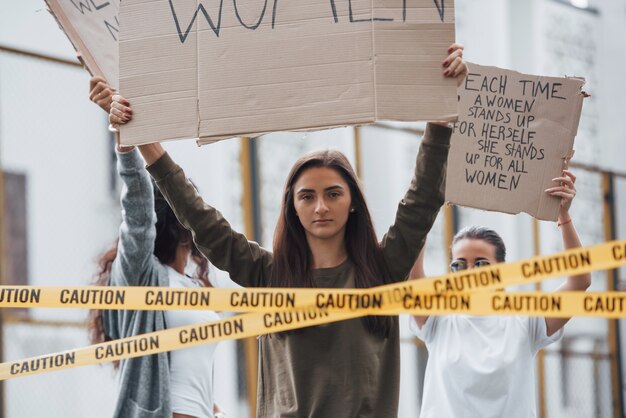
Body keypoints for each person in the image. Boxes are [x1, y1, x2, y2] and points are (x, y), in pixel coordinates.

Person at [109, 44, 467, 417]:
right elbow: (202, 221)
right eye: (307, 196)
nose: (321, 207)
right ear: (293, 208)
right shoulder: (270, 274)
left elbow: (422, 201)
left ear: (354, 202)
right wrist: (144, 143)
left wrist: (442, 114)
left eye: (333, 194)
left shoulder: (383, 268)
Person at [86, 76, 225, 418]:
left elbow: (194, 373)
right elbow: (137, 216)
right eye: (190, 209)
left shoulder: (194, 286)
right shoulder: (141, 275)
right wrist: (127, 144)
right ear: (181, 224)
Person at [410, 170, 591, 418]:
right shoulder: (437, 320)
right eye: (458, 264)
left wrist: (563, 215)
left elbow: (580, 281)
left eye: (481, 263)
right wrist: (425, 206)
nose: (469, 272)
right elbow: (413, 275)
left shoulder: (527, 321)